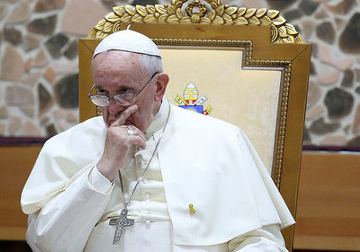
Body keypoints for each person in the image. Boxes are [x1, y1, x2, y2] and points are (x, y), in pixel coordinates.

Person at [20, 29, 294, 251]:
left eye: (125, 92)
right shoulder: (66, 146)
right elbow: (45, 244)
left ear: (159, 87)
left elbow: (261, 242)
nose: (113, 108)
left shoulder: (223, 139)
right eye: (102, 92)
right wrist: (103, 170)